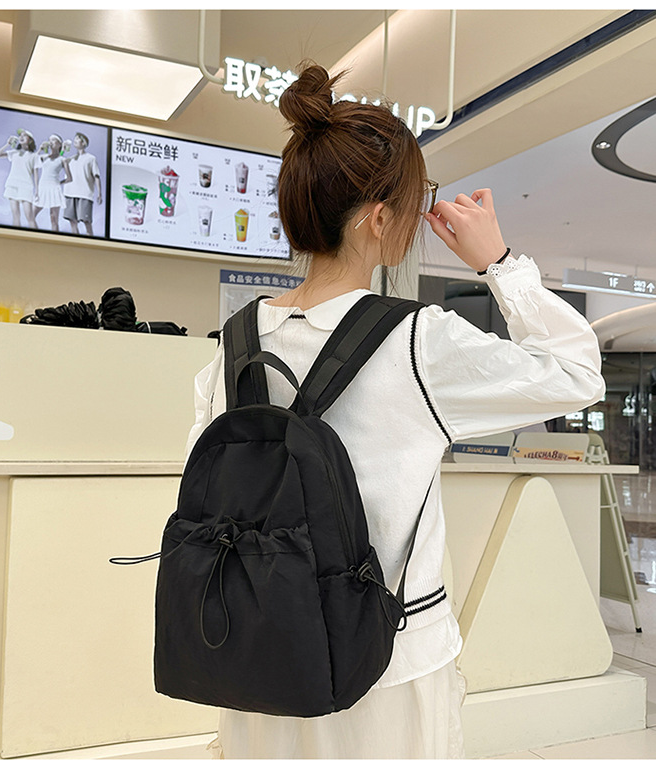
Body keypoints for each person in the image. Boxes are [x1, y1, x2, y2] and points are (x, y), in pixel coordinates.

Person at [184, 63, 605, 760]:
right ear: (380, 218)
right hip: (387, 661)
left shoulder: (233, 345)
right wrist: (499, 262)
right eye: (416, 202)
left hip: (254, 648)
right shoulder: (417, 342)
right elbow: (577, 371)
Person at [0, 129, 39, 229]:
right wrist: (7, 144)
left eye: (25, 135)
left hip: (26, 186)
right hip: (12, 184)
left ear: (30, 140)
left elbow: (36, 174)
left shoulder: (34, 156)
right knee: (15, 215)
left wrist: (37, 190)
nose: (21, 137)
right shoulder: (14, 153)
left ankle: (37, 237)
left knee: (29, 216)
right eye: (20, 135)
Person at [62, 132, 102, 236]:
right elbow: (58, 162)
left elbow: (96, 176)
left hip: (85, 194)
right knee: (72, 221)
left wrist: (99, 193)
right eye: (74, 138)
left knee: (86, 221)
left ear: (83, 143)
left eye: (77, 139)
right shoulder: (70, 159)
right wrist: (62, 150)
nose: (75, 140)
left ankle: (91, 242)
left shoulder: (91, 158)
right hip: (70, 193)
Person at [33, 134, 72, 232]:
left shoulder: (63, 160)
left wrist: (58, 183)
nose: (51, 142)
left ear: (59, 144)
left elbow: (69, 178)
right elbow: (32, 162)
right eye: (50, 140)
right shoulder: (43, 157)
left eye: (54, 140)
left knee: (53, 219)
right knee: (31, 215)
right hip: (42, 188)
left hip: (54, 189)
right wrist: (40, 149)